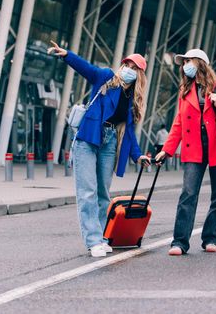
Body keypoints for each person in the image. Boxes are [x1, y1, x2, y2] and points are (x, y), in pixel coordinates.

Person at [48, 41, 150, 258]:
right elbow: (87, 68)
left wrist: (137, 155)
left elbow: (129, 131)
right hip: (88, 138)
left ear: (140, 74)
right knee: (87, 191)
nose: (128, 70)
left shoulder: (132, 99)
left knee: (103, 193)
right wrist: (67, 55)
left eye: (134, 68)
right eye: (126, 65)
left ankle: (103, 237)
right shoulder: (106, 78)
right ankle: (93, 240)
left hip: (110, 142)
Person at [155, 49, 216, 256]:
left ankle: (210, 238)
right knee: (188, 194)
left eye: (188, 61)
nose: (185, 65)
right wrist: (166, 150)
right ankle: (179, 242)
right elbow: (179, 122)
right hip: (194, 148)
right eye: (183, 62)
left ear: (201, 63)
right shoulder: (185, 90)